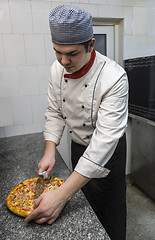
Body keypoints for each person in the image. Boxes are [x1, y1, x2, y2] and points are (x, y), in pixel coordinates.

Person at [25, 5, 128, 240]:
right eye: (57, 52)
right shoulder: (56, 69)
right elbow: (54, 111)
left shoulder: (114, 77)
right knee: (83, 206)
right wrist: (50, 150)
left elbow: (103, 142)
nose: (63, 61)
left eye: (71, 54)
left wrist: (61, 195)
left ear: (91, 45)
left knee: (110, 212)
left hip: (109, 154)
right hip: (78, 147)